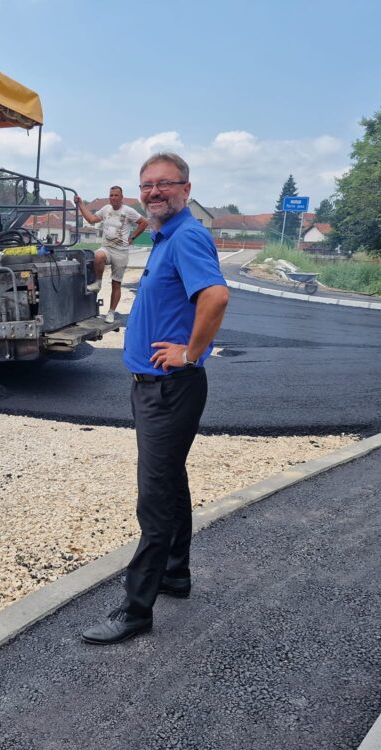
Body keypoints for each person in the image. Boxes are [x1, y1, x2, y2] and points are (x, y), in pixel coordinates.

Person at [82, 153, 230, 645]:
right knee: (170, 483)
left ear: (186, 189)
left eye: (164, 184)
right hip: (157, 388)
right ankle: (175, 573)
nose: (153, 192)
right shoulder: (166, 236)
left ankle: (135, 610)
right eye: (147, 185)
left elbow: (215, 297)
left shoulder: (186, 236)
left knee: (154, 500)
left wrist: (190, 353)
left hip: (169, 389)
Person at [74, 187, 147, 324]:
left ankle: (111, 312)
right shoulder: (106, 209)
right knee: (98, 256)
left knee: (116, 284)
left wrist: (132, 237)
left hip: (121, 251)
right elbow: (91, 219)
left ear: (121, 197)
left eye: (116, 195)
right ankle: (98, 283)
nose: (113, 197)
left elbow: (144, 222)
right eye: (111, 195)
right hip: (107, 247)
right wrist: (80, 204)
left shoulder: (128, 211)